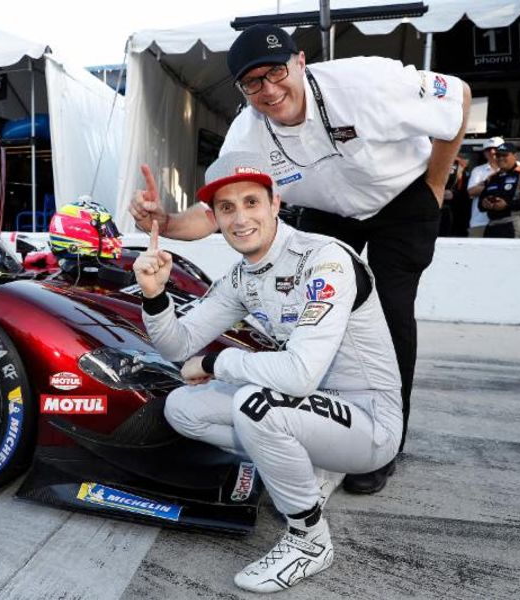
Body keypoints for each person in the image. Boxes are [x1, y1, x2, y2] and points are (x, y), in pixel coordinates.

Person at [129, 25, 470, 494]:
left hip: (402, 198)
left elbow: (458, 98)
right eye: (252, 83)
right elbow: (213, 214)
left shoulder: (366, 82)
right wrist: (165, 221)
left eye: (276, 72)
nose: (269, 90)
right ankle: (323, 425)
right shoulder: (246, 133)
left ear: (300, 62)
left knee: (390, 310)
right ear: (241, 89)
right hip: (328, 211)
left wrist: (434, 185)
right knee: (309, 314)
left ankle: (383, 443)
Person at [134, 151, 401, 592]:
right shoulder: (243, 276)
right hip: (313, 411)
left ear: (276, 203)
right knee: (182, 408)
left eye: (251, 202)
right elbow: (178, 344)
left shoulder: (326, 259)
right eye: (226, 207)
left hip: (370, 424)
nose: (240, 218)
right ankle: (310, 467)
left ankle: (309, 540)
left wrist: (216, 363)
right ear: (214, 218)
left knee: (255, 404)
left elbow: (298, 376)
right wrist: (154, 296)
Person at [478, 142, 520, 239]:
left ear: (515, 156)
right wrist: (485, 203)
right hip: (491, 225)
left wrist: (507, 204)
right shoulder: (492, 177)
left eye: (504, 155)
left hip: (513, 223)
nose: (500, 158)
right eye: (498, 155)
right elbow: (480, 205)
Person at [466, 136, 505, 237]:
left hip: (505, 221)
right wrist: (498, 186)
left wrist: (485, 185)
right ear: (484, 153)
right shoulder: (478, 170)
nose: (492, 152)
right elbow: (471, 191)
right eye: (488, 149)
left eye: (495, 148)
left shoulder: (516, 167)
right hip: (480, 221)